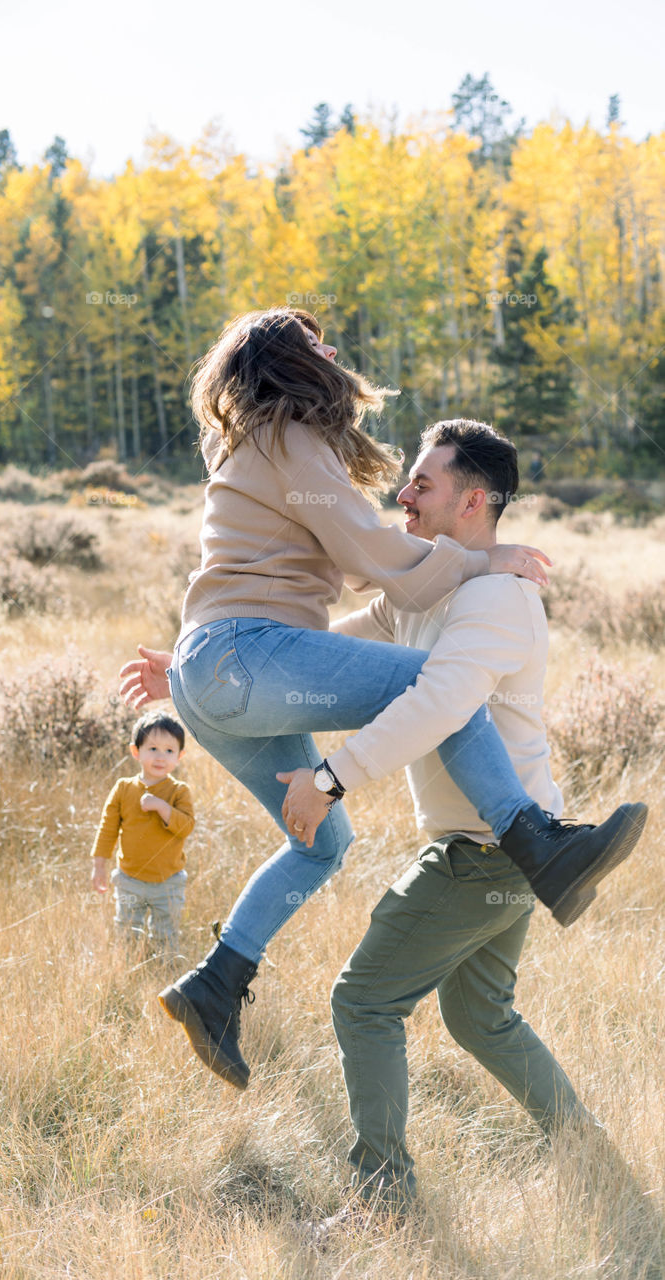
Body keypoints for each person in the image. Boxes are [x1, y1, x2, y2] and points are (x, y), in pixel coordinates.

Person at [118, 307, 645, 1092]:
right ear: (284, 359)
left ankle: (216, 983)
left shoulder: (258, 439)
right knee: (427, 684)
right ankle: (532, 839)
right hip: (236, 655)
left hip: (223, 668)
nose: (331, 351)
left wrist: (194, 676)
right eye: (313, 341)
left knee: (321, 844)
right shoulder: (285, 432)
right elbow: (366, 552)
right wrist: (481, 559)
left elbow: (353, 600)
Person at [317, 419, 602, 1226]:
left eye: (422, 484)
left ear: (473, 501)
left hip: (490, 850)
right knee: (480, 1014)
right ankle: (583, 1150)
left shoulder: (494, 598)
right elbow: (332, 648)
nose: (402, 495)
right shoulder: (426, 584)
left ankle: (382, 1201)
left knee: (362, 1002)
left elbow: (438, 705)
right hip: (507, 851)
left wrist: (330, 778)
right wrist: (204, 668)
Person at [90, 711, 194, 955]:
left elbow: (186, 827)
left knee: (166, 933)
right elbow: (107, 828)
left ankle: (164, 968)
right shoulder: (124, 788)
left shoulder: (179, 792)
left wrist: (162, 808)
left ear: (180, 756)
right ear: (136, 751)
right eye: (153, 748)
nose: (161, 757)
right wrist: (99, 864)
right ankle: (127, 967)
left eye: (169, 751)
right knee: (127, 930)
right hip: (130, 879)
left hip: (169, 880)